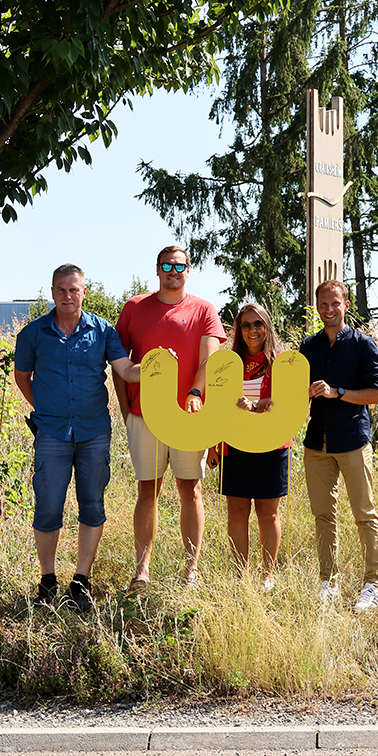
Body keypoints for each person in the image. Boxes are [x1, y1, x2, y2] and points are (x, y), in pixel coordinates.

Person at [13, 264, 140, 612]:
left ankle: (81, 580)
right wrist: (44, 408)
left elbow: (125, 369)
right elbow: (22, 376)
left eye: (73, 289)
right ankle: (48, 579)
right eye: (61, 290)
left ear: (84, 291)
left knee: (92, 504)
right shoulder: (33, 334)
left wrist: (154, 368)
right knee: (48, 505)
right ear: (52, 292)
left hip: (93, 432)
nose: (67, 296)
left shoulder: (103, 331)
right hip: (51, 433)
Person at [113, 246, 226, 591]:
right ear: (157, 270)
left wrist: (195, 393)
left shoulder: (204, 309)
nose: (172, 271)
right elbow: (118, 361)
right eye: (166, 265)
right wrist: (125, 408)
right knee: (147, 490)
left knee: (190, 489)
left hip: (189, 417)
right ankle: (142, 571)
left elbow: (210, 360)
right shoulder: (134, 308)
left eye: (179, 266)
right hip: (144, 416)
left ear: (188, 271)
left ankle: (191, 570)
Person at [299, 279, 378, 612]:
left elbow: (376, 395)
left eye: (335, 303)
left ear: (346, 305)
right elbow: (295, 394)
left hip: (353, 441)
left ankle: (372, 584)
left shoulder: (364, 344)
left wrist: (338, 392)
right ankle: (329, 582)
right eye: (323, 304)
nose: (329, 309)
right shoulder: (309, 347)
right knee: (323, 516)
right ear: (317, 307)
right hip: (316, 443)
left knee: (364, 514)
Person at [209, 303, 287, 589]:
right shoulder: (228, 364)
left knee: (268, 513)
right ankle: (241, 576)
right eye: (245, 325)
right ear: (238, 330)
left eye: (258, 324)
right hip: (235, 445)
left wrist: (255, 406)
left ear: (267, 327)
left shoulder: (281, 362)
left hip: (272, 444)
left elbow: (286, 403)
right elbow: (217, 407)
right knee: (237, 513)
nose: (252, 330)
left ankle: (268, 576)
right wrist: (213, 445)